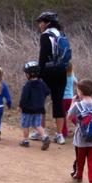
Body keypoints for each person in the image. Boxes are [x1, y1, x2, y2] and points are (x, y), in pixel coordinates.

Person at [35, 11, 69, 144]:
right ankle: (59, 135)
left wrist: (38, 74)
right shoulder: (62, 34)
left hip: (48, 72)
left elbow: (42, 57)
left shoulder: (45, 36)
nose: (39, 25)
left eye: (41, 22)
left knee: (40, 101)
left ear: (47, 23)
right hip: (62, 72)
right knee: (58, 102)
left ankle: (41, 132)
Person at [68, 79, 92, 183]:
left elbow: (69, 116)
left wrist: (73, 103)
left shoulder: (78, 105)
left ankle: (78, 176)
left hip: (81, 139)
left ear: (80, 92)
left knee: (80, 158)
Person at [19, 60, 51, 150]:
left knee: (25, 125)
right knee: (37, 124)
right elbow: (47, 92)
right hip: (39, 108)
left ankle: (25, 140)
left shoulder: (27, 85)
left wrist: (21, 106)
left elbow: (24, 98)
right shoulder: (42, 83)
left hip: (28, 109)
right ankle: (44, 137)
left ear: (29, 74)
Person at [61, 62, 78, 138]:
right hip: (70, 98)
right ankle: (81, 125)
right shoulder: (72, 75)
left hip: (62, 98)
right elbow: (77, 83)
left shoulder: (61, 75)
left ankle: (64, 132)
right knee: (71, 114)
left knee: (63, 116)